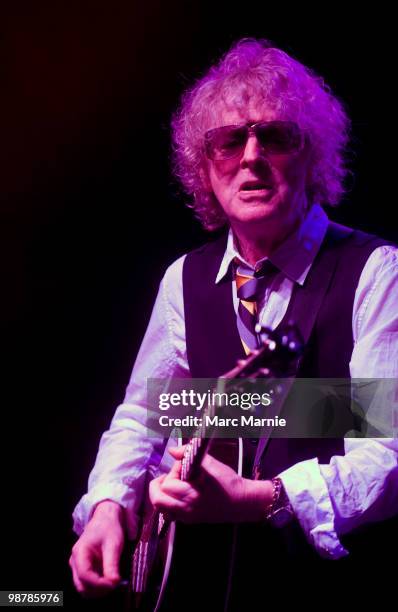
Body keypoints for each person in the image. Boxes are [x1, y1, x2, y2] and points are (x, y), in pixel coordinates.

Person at [70, 38, 398, 605]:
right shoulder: (183, 280)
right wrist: (107, 505)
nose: (250, 157)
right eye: (228, 142)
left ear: (312, 155)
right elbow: (144, 415)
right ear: (207, 170)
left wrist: (260, 498)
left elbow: (389, 454)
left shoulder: (375, 271)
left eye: (274, 136)